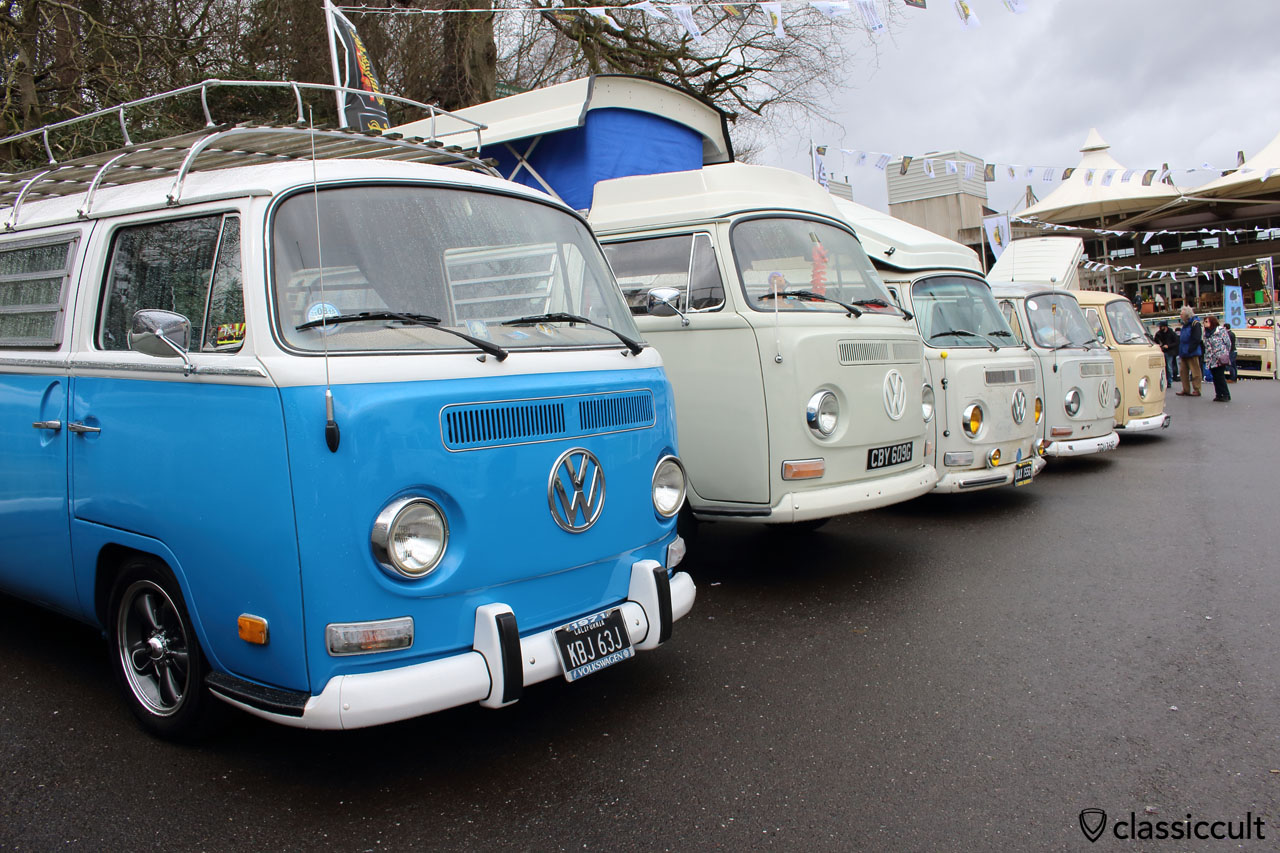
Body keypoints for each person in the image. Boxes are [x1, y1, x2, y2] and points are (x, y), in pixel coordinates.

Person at [1175, 305, 1203, 397]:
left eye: (1181, 314)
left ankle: (1197, 389)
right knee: (1183, 372)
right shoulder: (1185, 325)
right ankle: (1185, 389)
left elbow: (1196, 338)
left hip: (1192, 352)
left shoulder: (1195, 324)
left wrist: (1191, 349)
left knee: (1195, 372)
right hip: (1183, 351)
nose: (1180, 315)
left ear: (1187, 315)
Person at [1203, 315, 1232, 402]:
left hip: (1219, 356)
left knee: (1220, 376)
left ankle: (1226, 394)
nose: (1204, 323)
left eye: (1206, 321)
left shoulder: (1220, 330)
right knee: (1215, 377)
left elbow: (1228, 343)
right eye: (1204, 322)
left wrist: (1224, 352)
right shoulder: (1206, 333)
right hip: (1211, 358)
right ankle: (1218, 394)